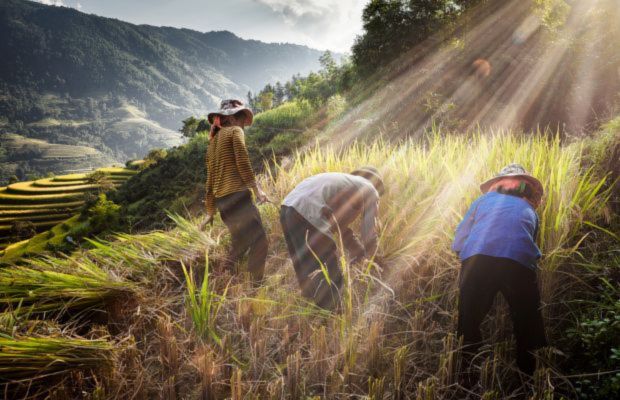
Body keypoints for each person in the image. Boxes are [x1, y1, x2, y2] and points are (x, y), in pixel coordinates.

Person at [452, 163, 547, 376]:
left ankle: (466, 369)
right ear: (526, 189)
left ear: (498, 184)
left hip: (477, 259)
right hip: (518, 262)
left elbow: (460, 236)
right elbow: (530, 246)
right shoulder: (530, 210)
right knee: (527, 318)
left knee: (469, 317)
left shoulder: (482, 201)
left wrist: (462, 253)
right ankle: (528, 373)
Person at [280, 167, 384, 310]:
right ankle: (334, 310)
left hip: (287, 207)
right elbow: (369, 233)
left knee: (303, 261)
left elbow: (339, 227)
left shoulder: (345, 185)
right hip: (307, 209)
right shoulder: (371, 189)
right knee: (331, 267)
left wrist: (358, 251)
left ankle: (313, 307)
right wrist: (375, 257)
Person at [201, 99, 269, 283]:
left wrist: (210, 210)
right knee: (259, 240)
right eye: (241, 120)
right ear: (232, 119)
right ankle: (256, 285)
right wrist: (257, 190)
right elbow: (243, 162)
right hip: (238, 198)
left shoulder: (212, 145)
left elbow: (209, 182)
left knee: (240, 242)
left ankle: (225, 278)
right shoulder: (235, 131)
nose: (243, 125)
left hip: (223, 203)